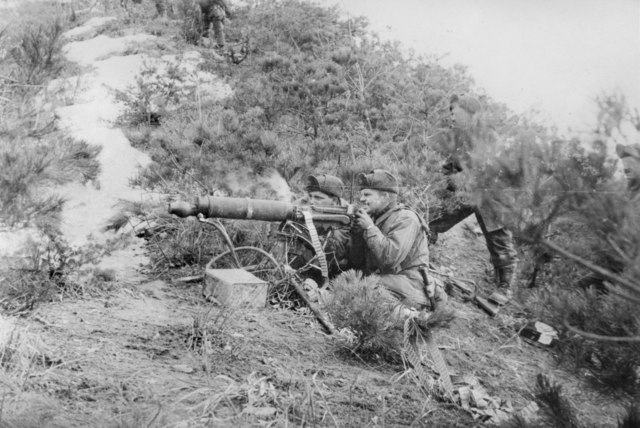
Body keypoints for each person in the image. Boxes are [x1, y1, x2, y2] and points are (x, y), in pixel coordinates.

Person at [430, 94, 518, 300]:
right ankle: (419, 258)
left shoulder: (488, 135)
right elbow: (451, 167)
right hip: (466, 193)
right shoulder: (458, 138)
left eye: (455, 111)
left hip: (492, 197)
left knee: (498, 242)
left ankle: (504, 288)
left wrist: (458, 178)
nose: (451, 116)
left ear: (469, 113)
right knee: (433, 221)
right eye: (450, 111)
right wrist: (440, 174)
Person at [348, 169, 446, 310]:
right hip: (388, 282)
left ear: (385, 196)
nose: (362, 199)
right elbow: (357, 262)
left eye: (367, 194)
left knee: (363, 289)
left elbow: (390, 259)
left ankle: (412, 318)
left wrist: (369, 228)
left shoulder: (406, 218)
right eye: (361, 194)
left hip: (411, 286)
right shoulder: (375, 218)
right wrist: (357, 234)